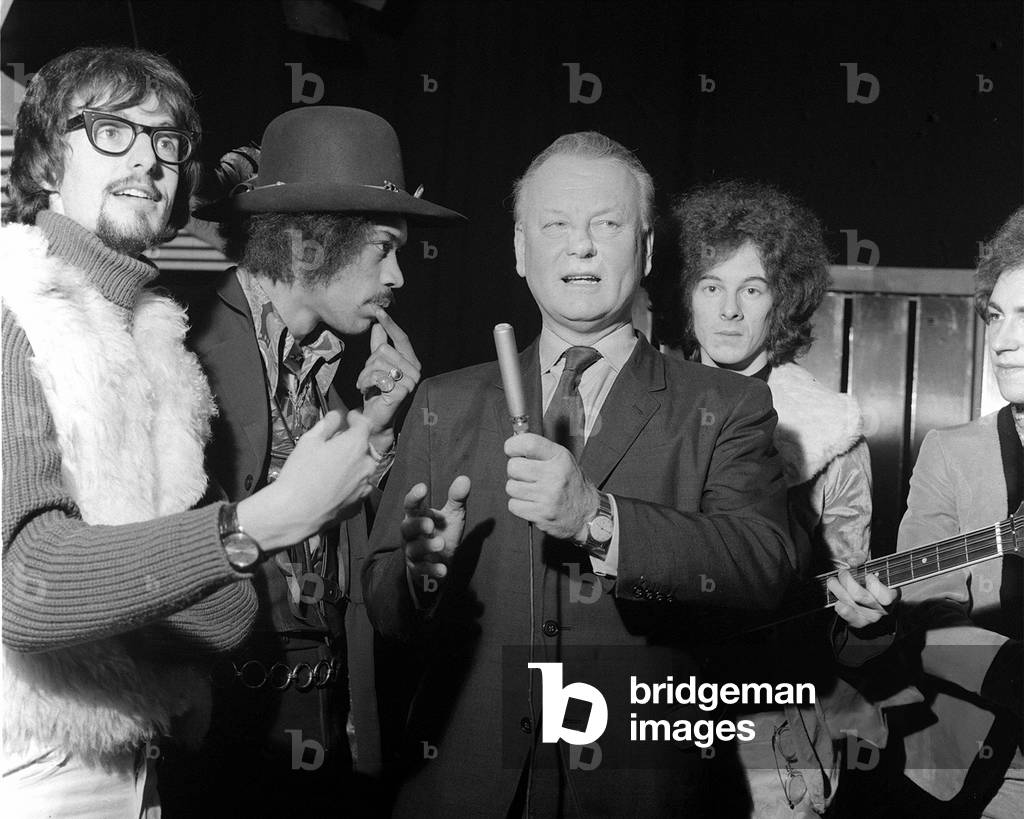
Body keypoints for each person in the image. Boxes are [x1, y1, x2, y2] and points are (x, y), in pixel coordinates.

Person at [363, 132, 801, 817]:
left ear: (648, 249)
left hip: (641, 791)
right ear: (519, 248)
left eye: (607, 224)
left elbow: (764, 564)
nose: (582, 245)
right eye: (556, 225)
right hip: (462, 790)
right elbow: (383, 606)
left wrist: (599, 516)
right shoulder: (445, 403)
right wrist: (419, 576)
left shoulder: (726, 405)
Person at [1, 47, 380, 817]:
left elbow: (230, 612)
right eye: (113, 129)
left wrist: (129, 577)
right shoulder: (16, 309)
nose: (148, 158)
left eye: (167, 141)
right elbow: (28, 589)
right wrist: (258, 522)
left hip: (140, 758)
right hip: (31, 764)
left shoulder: (157, 344)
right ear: (45, 159)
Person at [156, 106, 463, 817]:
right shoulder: (183, 340)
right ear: (302, 251)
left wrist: (374, 430)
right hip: (216, 731)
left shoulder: (328, 373)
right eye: (383, 249)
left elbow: (336, 560)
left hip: (317, 725)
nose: (398, 276)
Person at [671, 179, 878, 816]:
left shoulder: (832, 433)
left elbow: (851, 602)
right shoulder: (635, 403)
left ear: (780, 302)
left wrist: (869, 625)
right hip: (651, 705)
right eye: (711, 286)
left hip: (772, 710)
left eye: (751, 289)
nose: (730, 310)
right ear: (687, 296)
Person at [829, 206, 1024, 818]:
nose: (1001, 340)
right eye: (995, 316)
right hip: (982, 774)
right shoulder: (952, 452)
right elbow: (923, 614)